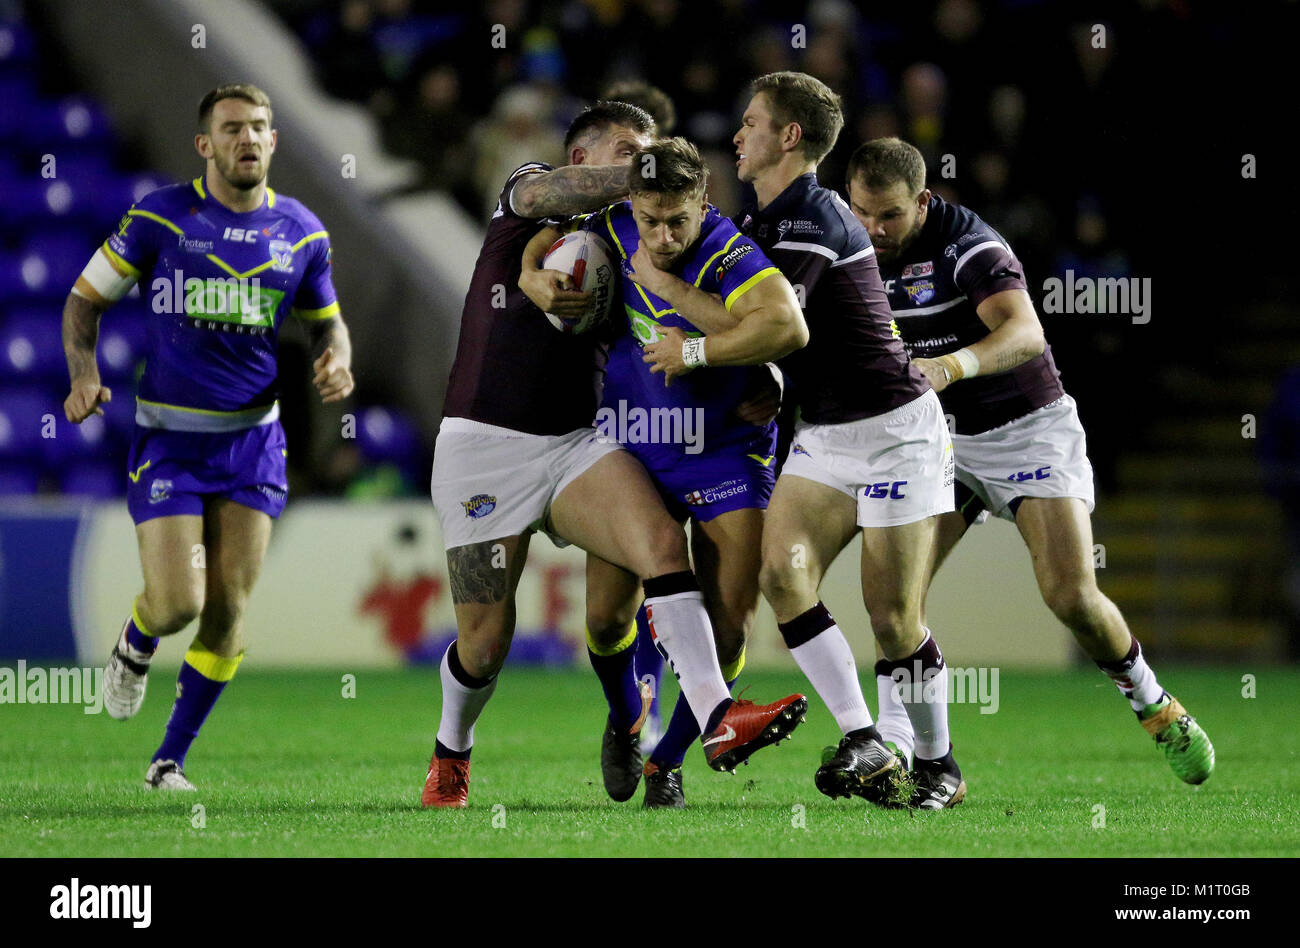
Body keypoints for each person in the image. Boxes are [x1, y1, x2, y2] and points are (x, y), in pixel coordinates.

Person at [425, 103, 808, 808]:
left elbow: (676, 323)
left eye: (653, 157)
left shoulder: (637, 230)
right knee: (482, 644)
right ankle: (452, 751)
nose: (644, 168)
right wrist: (660, 170)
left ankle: (716, 719)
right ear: (583, 158)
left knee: (663, 546)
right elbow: (550, 200)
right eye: (631, 153)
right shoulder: (530, 194)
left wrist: (765, 375)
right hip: (482, 447)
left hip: (578, 445)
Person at [845, 137, 1214, 785]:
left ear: (924, 201)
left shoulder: (969, 246)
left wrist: (952, 365)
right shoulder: (853, 250)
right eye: (864, 214)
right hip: (941, 442)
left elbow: (1024, 333)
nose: (875, 230)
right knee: (892, 600)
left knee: (1070, 596)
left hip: (1025, 430)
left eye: (891, 216)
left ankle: (1153, 703)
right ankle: (899, 745)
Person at [645, 72, 965, 810]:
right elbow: (788, 344)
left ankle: (940, 762)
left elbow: (777, 325)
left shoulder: (811, 219)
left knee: (893, 620)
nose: (737, 135)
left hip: (894, 432)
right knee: (783, 574)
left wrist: (682, 329)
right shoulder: (767, 224)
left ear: (789, 137)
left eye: (751, 122)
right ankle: (863, 735)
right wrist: (776, 384)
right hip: (823, 433)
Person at [63, 84, 355, 790]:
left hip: (254, 443)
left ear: (274, 140)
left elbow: (326, 320)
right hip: (171, 442)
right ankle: (136, 642)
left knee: (228, 610)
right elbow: (83, 300)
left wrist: (336, 353)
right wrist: (82, 375)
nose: (247, 139)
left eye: (258, 127)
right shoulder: (161, 217)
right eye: (231, 129)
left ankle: (169, 761)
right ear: (206, 145)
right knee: (178, 605)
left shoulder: (303, 232)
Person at [521, 137, 802, 808]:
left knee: (733, 612)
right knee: (605, 618)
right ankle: (626, 722)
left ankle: (667, 761)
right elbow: (534, 233)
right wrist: (535, 275)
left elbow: (788, 326)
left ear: (703, 201)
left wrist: (699, 349)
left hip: (724, 447)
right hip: (635, 444)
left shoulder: (730, 250)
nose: (665, 233)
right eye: (652, 220)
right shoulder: (611, 227)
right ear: (633, 206)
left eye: (679, 218)